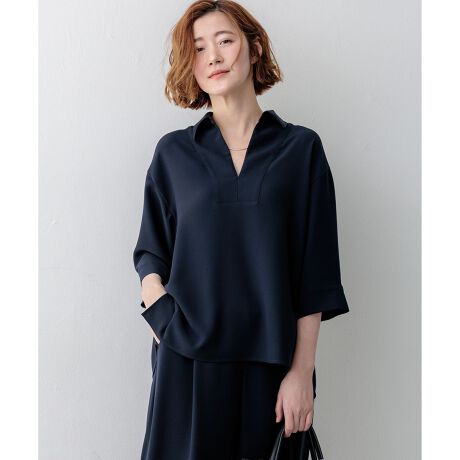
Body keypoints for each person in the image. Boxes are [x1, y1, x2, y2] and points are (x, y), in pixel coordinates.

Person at [132, 1, 350, 459]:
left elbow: (315, 274)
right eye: (198, 48)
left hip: (271, 368)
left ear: (254, 49)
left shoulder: (301, 150)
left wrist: (301, 373)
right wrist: (160, 312)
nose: (213, 56)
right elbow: (151, 252)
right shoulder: (173, 154)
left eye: (225, 41)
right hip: (186, 363)